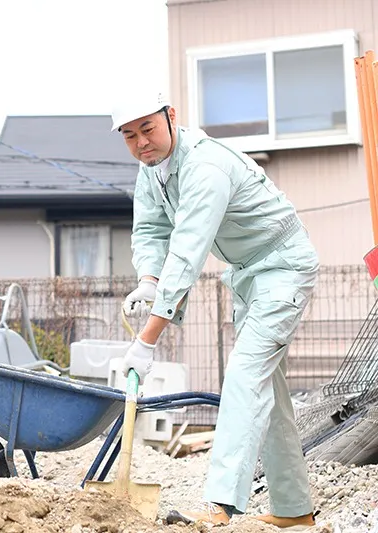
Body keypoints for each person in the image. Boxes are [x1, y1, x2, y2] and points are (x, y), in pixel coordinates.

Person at [113, 90, 318, 530]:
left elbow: (188, 253)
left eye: (147, 128)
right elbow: (150, 230)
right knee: (270, 392)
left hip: (284, 267)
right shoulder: (151, 173)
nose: (141, 142)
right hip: (247, 275)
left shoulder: (205, 167)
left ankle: (220, 504)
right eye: (129, 136)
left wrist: (146, 341)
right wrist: (149, 281)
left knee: (244, 375)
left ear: (171, 117)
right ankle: (294, 509)